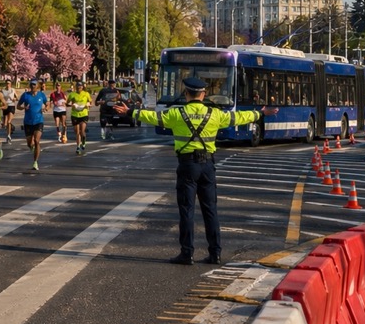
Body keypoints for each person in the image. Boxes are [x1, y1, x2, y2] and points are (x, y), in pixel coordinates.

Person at [113, 77, 264, 266]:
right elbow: (238, 118)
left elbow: (154, 118)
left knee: (187, 210)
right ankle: (215, 253)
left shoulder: (177, 114)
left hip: (187, 166)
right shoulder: (214, 114)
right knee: (211, 211)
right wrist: (259, 113)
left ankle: (187, 253)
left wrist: (131, 111)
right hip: (208, 165)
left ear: (186, 94)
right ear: (203, 94)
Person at [17, 79, 50, 170]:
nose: (33, 86)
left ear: (37, 86)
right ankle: (32, 148)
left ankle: (35, 162)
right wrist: (24, 107)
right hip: (28, 122)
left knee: (36, 140)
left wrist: (46, 108)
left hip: (38, 121)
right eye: (31, 84)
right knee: (29, 143)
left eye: (34, 85)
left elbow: (47, 103)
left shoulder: (41, 95)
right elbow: (18, 106)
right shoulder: (25, 95)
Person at [66, 81, 93, 154]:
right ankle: (78, 147)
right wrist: (72, 105)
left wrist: (88, 104)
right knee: (77, 132)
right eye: (78, 86)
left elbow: (90, 102)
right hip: (75, 115)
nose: (79, 87)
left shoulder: (86, 94)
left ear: (82, 87)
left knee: (82, 131)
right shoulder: (72, 94)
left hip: (84, 114)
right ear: (76, 86)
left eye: (80, 86)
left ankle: (83, 141)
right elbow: (67, 103)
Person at [0, 78, 18, 142]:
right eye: (7, 83)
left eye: (9, 83)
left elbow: (17, 98)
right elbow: (0, 99)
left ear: (10, 84)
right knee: (5, 124)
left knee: (8, 121)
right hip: (5, 106)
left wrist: (14, 99)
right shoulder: (2, 90)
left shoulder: (13, 90)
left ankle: (8, 135)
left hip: (11, 106)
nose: (7, 85)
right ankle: (11, 128)